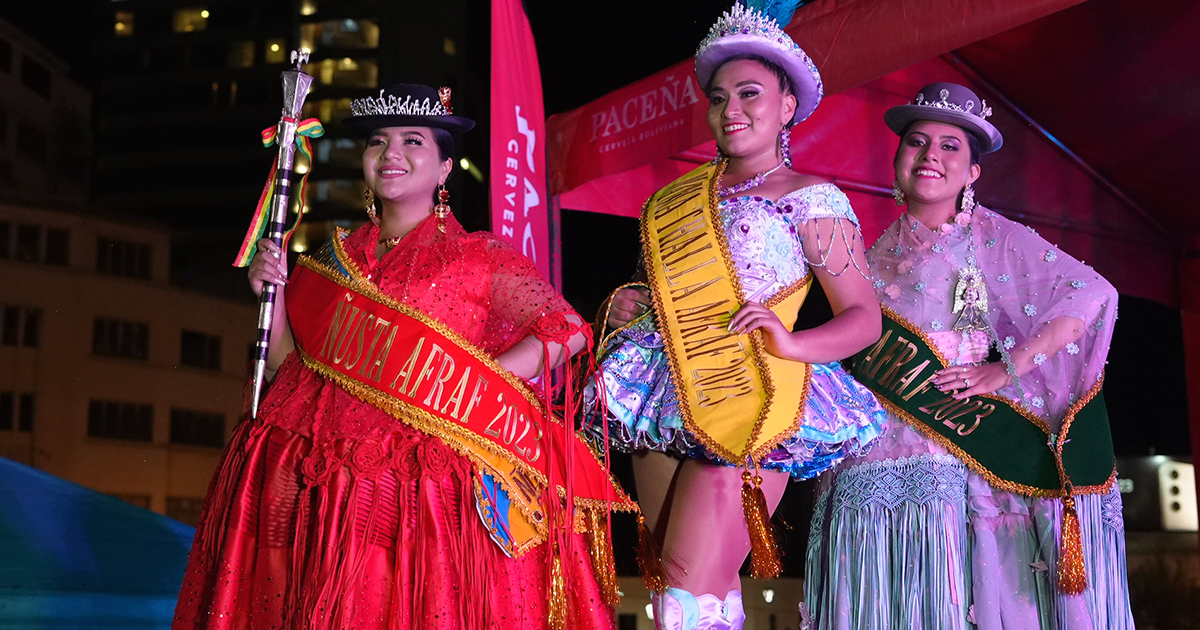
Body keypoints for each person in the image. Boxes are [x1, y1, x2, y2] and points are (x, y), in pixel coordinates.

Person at [173, 83, 633, 630]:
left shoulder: (479, 257)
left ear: (444, 169)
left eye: (413, 141)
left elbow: (567, 330)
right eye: (378, 142)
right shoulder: (330, 258)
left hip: (431, 485)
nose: (391, 154)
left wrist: (480, 381)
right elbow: (284, 368)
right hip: (318, 472)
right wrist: (266, 297)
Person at [587, 5, 887, 628]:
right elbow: (663, 296)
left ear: (786, 106)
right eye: (719, 97)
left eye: (750, 94)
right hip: (667, 392)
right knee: (688, 593)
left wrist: (791, 340)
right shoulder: (675, 203)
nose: (731, 110)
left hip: (756, 392)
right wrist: (624, 306)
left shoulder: (811, 198)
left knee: (683, 601)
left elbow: (863, 318)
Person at [802, 82, 1133, 629]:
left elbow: (1093, 293)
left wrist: (1007, 369)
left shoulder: (990, 237)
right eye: (917, 141)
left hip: (961, 458)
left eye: (950, 145)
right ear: (898, 158)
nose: (930, 154)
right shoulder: (868, 254)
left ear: (973, 172)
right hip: (872, 464)